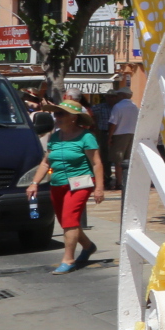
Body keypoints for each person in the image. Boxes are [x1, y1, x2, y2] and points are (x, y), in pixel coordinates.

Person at [25, 100, 102, 274]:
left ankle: (68, 259)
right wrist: (34, 183)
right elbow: (45, 163)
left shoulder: (86, 137)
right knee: (67, 221)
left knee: (69, 219)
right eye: (56, 114)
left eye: (61, 114)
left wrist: (99, 188)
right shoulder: (54, 136)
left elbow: (96, 163)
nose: (56, 117)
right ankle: (88, 247)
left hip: (80, 184)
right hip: (57, 183)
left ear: (74, 117)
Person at [106, 91, 138, 192]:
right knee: (128, 160)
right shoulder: (135, 107)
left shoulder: (118, 106)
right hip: (132, 134)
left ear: (122, 95)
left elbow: (113, 123)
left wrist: (109, 136)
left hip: (119, 134)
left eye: (118, 95)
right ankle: (128, 182)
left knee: (118, 160)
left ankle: (119, 182)